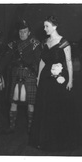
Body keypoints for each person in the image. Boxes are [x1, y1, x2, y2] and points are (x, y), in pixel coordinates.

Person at [29, 16, 82, 152]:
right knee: (44, 108)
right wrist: (38, 77)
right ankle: (43, 139)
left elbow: (69, 62)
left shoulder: (64, 42)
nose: (45, 28)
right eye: (44, 26)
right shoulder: (46, 41)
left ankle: (58, 140)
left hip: (59, 78)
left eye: (47, 26)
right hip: (45, 78)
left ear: (55, 26)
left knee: (56, 108)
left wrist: (70, 80)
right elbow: (42, 61)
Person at [5, 19, 41, 133]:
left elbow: (39, 61)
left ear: (29, 32)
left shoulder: (35, 44)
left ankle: (31, 128)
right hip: (16, 75)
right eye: (20, 31)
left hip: (29, 75)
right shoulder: (13, 44)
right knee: (13, 102)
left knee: (30, 104)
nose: (22, 34)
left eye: (25, 31)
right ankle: (11, 126)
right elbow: (6, 60)